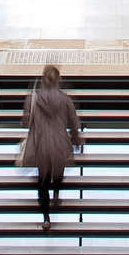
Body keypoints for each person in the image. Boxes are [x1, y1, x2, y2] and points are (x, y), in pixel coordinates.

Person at [22, 64, 82, 231]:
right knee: (58, 172)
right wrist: (77, 139)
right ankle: (56, 195)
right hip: (60, 143)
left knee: (42, 180)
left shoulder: (34, 98)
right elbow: (73, 123)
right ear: (58, 81)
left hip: (41, 143)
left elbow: (25, 121)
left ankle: (46, 218)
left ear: (43, 79)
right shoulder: (65, 99)